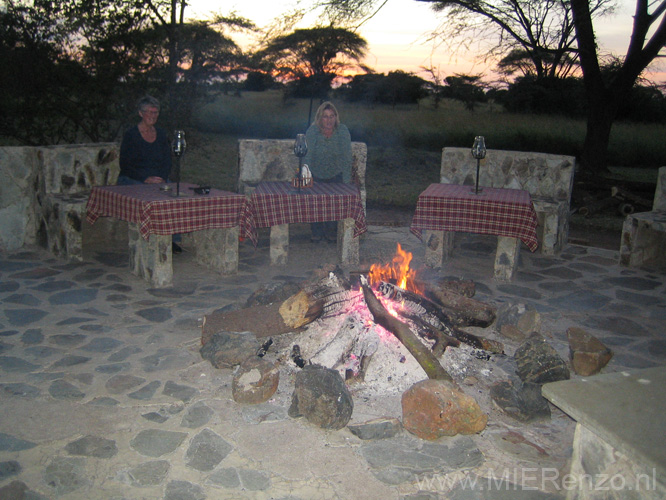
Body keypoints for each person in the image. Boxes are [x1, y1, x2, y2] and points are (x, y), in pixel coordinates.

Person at [118, 95, 182, 253]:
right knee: (147, 198)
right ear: (141, 113)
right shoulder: (131, 135)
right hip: (134, 178)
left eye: (156, 112)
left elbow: (167, 160)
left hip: (158, 178)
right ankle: (148, 238)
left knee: (172, 197)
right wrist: (145, 178)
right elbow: (125, 165)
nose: (153, 116)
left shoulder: (161, 134)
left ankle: (171, 238)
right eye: (150, 112)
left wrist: (160, 178)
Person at [303, 101, 353, 243]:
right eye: (325, 116)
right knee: (315, 203)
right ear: (320, 118)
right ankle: (317, 233)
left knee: (334, 203)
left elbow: (346, 156)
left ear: (336, 117)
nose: (329, 120)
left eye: (331, 116)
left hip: (336, 173)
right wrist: (307, 175)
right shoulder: (313, 131)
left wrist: (346, 181)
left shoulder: (342, 131)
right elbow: (308, 154)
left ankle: (331, 233)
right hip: (316, 173)